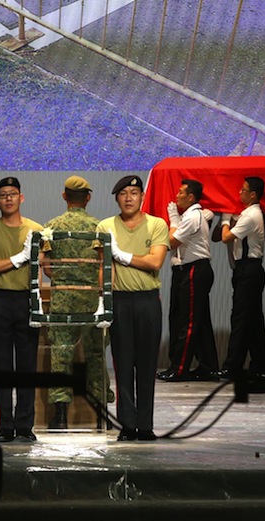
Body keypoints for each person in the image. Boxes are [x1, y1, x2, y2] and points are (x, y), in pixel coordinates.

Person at [95, 175, 169, 441]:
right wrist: (104, 300)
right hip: (120, 301)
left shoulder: (156, 224)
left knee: (147, 365)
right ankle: (127, 425)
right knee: (123, 364)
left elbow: (155, 262)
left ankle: (145, 425)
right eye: (124, 193)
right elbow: (105, 267)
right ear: (116, 197)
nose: (129, 197)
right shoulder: (106, 226)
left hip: (148, 300)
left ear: (141, 197)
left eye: (134, 192)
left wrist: (123, 255)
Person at [41, 175, 115, 430]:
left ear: (64, 196)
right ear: (88, 198)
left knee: (61, 355)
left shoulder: (51, 226)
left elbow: (46, 267)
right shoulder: (99, 227)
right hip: (92, 300)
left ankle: (60, 416)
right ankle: (101, 414)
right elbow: (104, 265)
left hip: (62, 300)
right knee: (96, 355)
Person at [0, 177, 43, 443]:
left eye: (13, 193)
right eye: (3, 195)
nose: (8, 198)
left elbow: (47, 266)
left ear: (21, 197)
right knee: (1, 366)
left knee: (27, 367)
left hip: (27, 299)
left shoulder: (36, 229)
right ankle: (6, 426)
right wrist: (19, 258)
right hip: (0, 300)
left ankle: (25, 425)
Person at [157, 179, 219, 382]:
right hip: (190, 270)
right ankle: (208, 367)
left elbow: (170, 241)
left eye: (181, 192)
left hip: (193, 271)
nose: (176, 196)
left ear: (191, 197)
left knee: (187, 322)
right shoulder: (193, 215)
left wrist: (173, 220)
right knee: (198, 322)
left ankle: (179, 368)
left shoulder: (192, 217)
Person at [218, 177, 265, 379]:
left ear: (253, 195)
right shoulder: (249, 214)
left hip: (249, 270)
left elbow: (225, 237)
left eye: (243, 189)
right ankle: (259, 364)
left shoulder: (250, 216)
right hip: (249, 270)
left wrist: (224, 219)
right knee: (253, 320)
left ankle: (233, 366)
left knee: (240, 319)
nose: (239, 192)